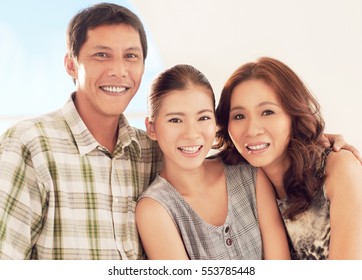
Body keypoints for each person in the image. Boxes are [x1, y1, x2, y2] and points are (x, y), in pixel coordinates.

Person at [0, 3, 162, 259]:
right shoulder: (29, 144)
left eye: (131, 56)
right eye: (101, 55)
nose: (119, 71)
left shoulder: (152, 153)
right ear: (71, 65)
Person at [136, 64, 290, 260]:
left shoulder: (249, 174)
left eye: (203, 117)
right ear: (151, 128)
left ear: (216, 122)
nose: (191, 133)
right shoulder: (154, 209)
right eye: (175, 120)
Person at [214, 56, 362, 259]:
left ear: (293, 115)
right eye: (239, 116)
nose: (252, 129)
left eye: (267, 112)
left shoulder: (339, 169)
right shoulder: (240, 179)